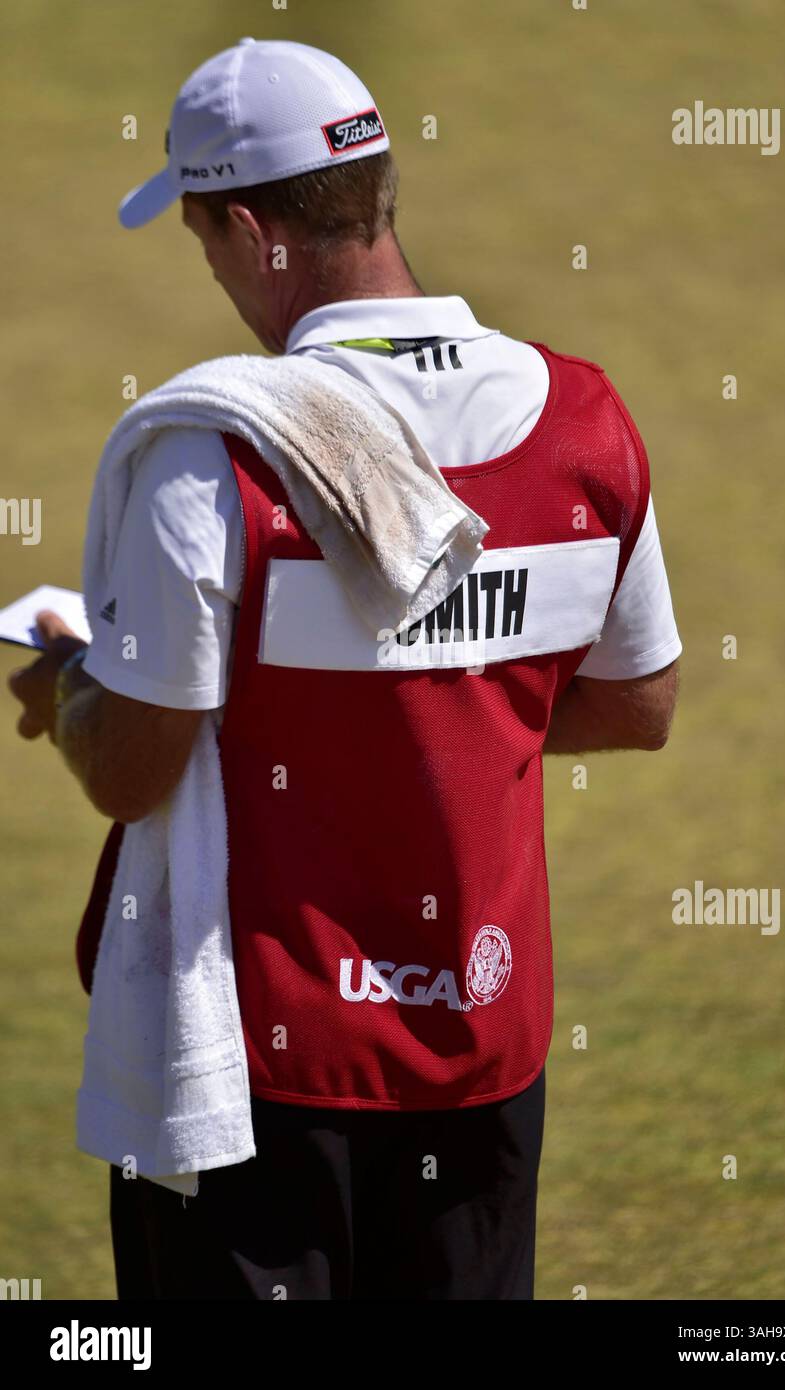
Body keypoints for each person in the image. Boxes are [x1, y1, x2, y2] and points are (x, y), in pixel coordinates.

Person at [8, 38, 681, 1300]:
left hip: (260, 1073)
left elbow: (135, 765)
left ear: (254, 229)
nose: (212, 271)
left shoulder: (212, 460)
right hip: (482, 1046)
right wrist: (445, 687)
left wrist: (65, 690)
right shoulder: (590, 422)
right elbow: (633, 705)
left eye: (205, 237)